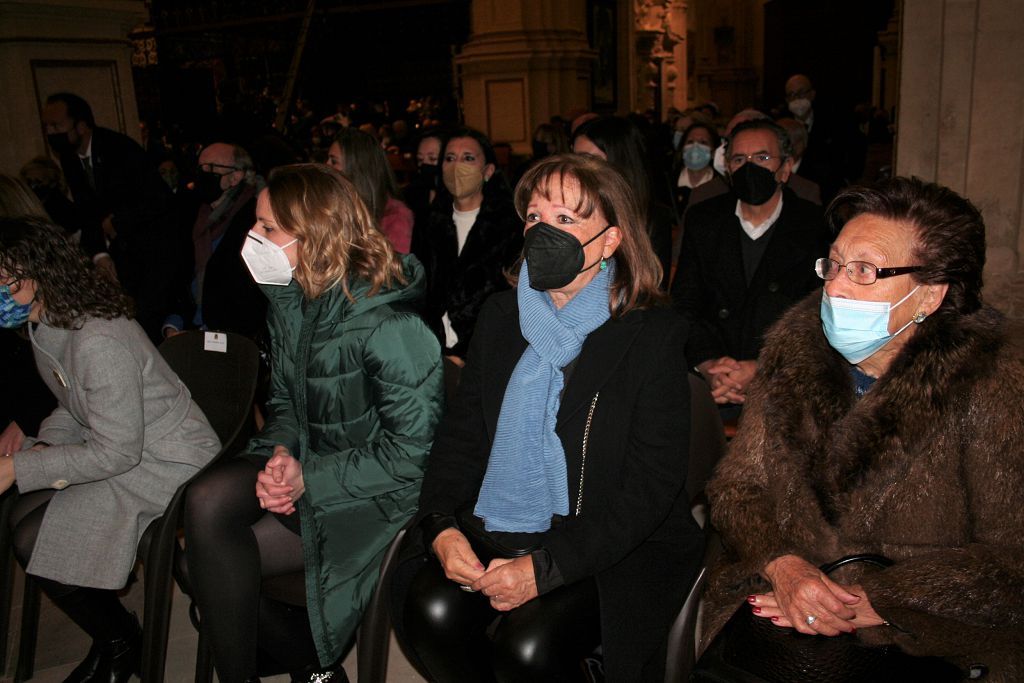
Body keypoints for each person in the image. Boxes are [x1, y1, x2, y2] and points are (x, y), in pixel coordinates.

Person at [700, 177, 1024, 680]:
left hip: (930, 635)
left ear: (929, 296)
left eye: (865, 270)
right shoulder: (795, 348)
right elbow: (738, 488)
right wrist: (784, 565)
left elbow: (1013, 558)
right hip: (779, 600)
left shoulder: (994, 380)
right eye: (833, 264)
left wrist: (883, 599)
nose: (835, 285)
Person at [395, 154, 703, 682]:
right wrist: (441, 524)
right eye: (536, 217)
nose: (544, 231)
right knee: (430, 612)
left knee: (528, 646)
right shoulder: (500, 317)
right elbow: (461, 437)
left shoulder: (651, 336)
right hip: (506, 521)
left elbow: (650, 489)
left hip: (610, 542)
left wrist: (547, 568)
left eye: (566, 219)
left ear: (611, 240)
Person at [183, 163, 444, 683]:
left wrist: (309, 477)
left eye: (269, 228)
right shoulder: (294, 302)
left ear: (318, 235)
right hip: (315, 468)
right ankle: (306, 669)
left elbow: (414, 456)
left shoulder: (389, 325)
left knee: (206, 566)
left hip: (375, 498)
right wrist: (280, 453)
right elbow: (285, 404)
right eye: (255, 223)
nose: (252, 237)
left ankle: (304, 668)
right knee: (201, 510)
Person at [1, 215, 220, 683]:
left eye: (4, 281)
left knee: (32, 536)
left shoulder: (96, 340)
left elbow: (117, 453)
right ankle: (116, 640)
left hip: (169, 460)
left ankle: (123, 642)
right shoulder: (47, 324)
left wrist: (23, 467)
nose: (0, 291)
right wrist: (40, 450)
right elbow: (71, 405)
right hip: (127, 447)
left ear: (43, 274)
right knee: (24, 519)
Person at [670, 119, 827, 416]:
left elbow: (819, 315)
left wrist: (760, 368)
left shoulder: (814, 225)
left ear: (785, 167)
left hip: (787, 384)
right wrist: (710, 365)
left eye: (762, 158)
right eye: (739, 159)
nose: (749, 168)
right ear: (728, 167)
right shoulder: (704, 220)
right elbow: (685, 305)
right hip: (714, 380)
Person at [41, 92, 179, 343]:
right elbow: (87, 212)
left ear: (81, 126)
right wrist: (100, 255)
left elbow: (159, 200)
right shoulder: (70, 158)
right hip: (120, 254)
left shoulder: (120, 149)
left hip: (152, 251)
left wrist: (116, 222)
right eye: (47, 127)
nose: (51, 133)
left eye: (57, 126)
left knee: (150, 322)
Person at [418, 127, 522, 361]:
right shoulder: (429, 223)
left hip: (489, 351)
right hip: (434, 351)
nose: (457, 167)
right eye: (450, 158)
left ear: (488, 171)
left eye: (468, 158)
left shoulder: (510, 226)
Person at [163, 142, 266, 341]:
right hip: (190, 326)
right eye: (200, 167)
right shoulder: (195, 215)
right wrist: (173, 323)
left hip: (231, 336)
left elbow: (249, 301)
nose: (203, 174)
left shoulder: (255, 221)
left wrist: (204, 336)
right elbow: (181, 276)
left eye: (210, 168)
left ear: (236, 176)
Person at [573, 115, 674, 288]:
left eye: (590, 160)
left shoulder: (651, 218)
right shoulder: (568, 210)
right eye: (576, 159)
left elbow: (652, 287)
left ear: (618, 162)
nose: (578, 168)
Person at [327, 127, 414, 253]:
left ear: (356, 168)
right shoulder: (333, 204)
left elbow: (393, 268)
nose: (327, 165)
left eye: (334, 161)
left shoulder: (395, 216)